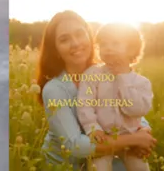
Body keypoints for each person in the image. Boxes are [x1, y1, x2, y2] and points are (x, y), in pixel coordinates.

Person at [36, 11, 156, 169]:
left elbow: (127, 108)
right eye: (64, 39)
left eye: (80, 34)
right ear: (56, 50)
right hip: (68, 164)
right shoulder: (54, 89)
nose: (76, 43)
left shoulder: (108, 72)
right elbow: (75, 146)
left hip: (107, 152)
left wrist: (144, 130)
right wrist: (134, 139)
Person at [76, 23, 154, 171]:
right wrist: (93, 129)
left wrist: (123, 77)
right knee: (97, 168)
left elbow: (136, 110)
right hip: (103, 138)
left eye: (115, 43)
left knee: (140, 168)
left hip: (131, 140)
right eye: (103, 44)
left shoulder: (142, 83)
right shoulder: (92, 74)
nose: (108, 48)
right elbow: (85, 104)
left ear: (131, 49)